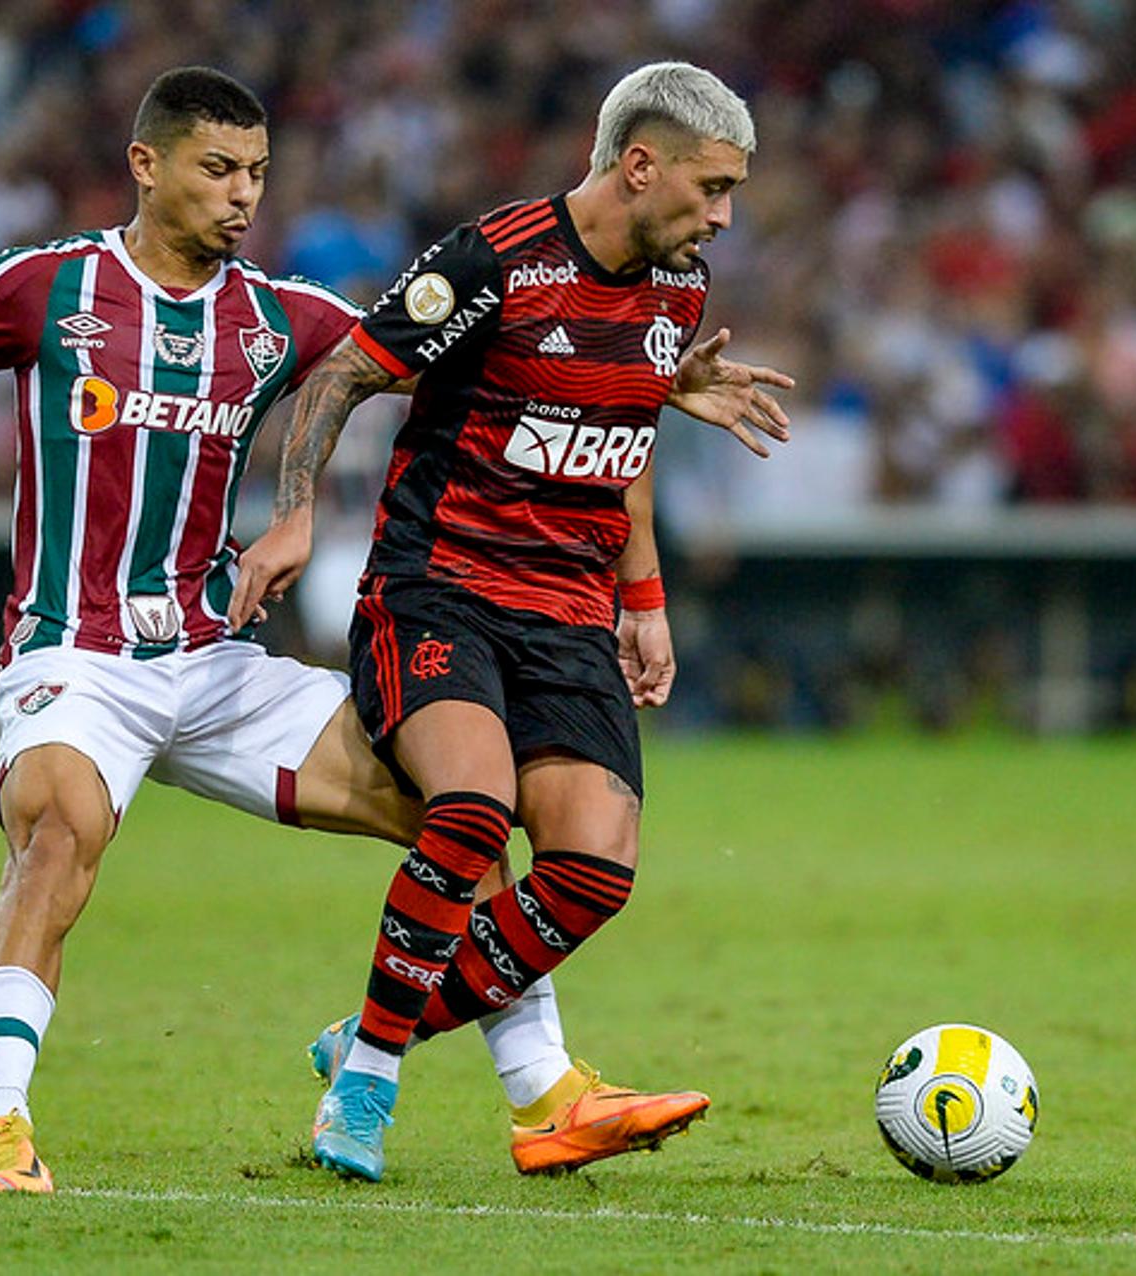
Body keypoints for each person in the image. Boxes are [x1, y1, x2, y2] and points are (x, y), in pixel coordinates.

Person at [0, 67, 741, 1193]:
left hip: (217, 657)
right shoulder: (48, 289)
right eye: (219, 168)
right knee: (59, 843)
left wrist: (648, 376)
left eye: (258, 174)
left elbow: (468, 358)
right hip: (73, 652)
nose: (242, 194)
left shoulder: (280, 318)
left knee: (461, 816)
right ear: (146, 164)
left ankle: (542, 1093)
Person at [229, 61, 794, 1182]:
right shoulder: (495, 260)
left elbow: (621, 439)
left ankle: (377, 1032)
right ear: (640, 166)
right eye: (713, 186)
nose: (725, 214)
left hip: (571, 612)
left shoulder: (678, 288)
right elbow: (339, 377)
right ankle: (369, 1089)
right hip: (438, 591)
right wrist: (292, 516)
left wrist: (643, 596)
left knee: (597, 867)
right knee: (475, 806)